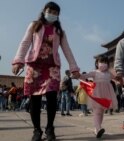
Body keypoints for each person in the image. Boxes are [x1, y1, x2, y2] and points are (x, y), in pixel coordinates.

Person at [11, 2, 80, 141]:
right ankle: (37, 130)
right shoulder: (34, 25)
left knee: (52, 98)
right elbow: (24, 42)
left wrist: (74, 68)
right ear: (44, 11)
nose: (53, 14)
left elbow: (67, 50)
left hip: (52, 67)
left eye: (56, 13)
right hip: (34, 66)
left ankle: (49, 128)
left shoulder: (60, 31)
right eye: (51, 11)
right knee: (34, 99)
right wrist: (18, 60)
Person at [80, 56, 118, 138]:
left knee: (101, 112)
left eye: (105, 62)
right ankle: (98, 127)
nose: (103, 64)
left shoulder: (109, 73)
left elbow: (116, 78)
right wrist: (77, 75)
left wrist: (123, 79)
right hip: (96, 95)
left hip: (106, 95)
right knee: (97, 112)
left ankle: (97, 130)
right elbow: (85, 76)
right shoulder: (94, 72)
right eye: (101, 62)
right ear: (97, 63)